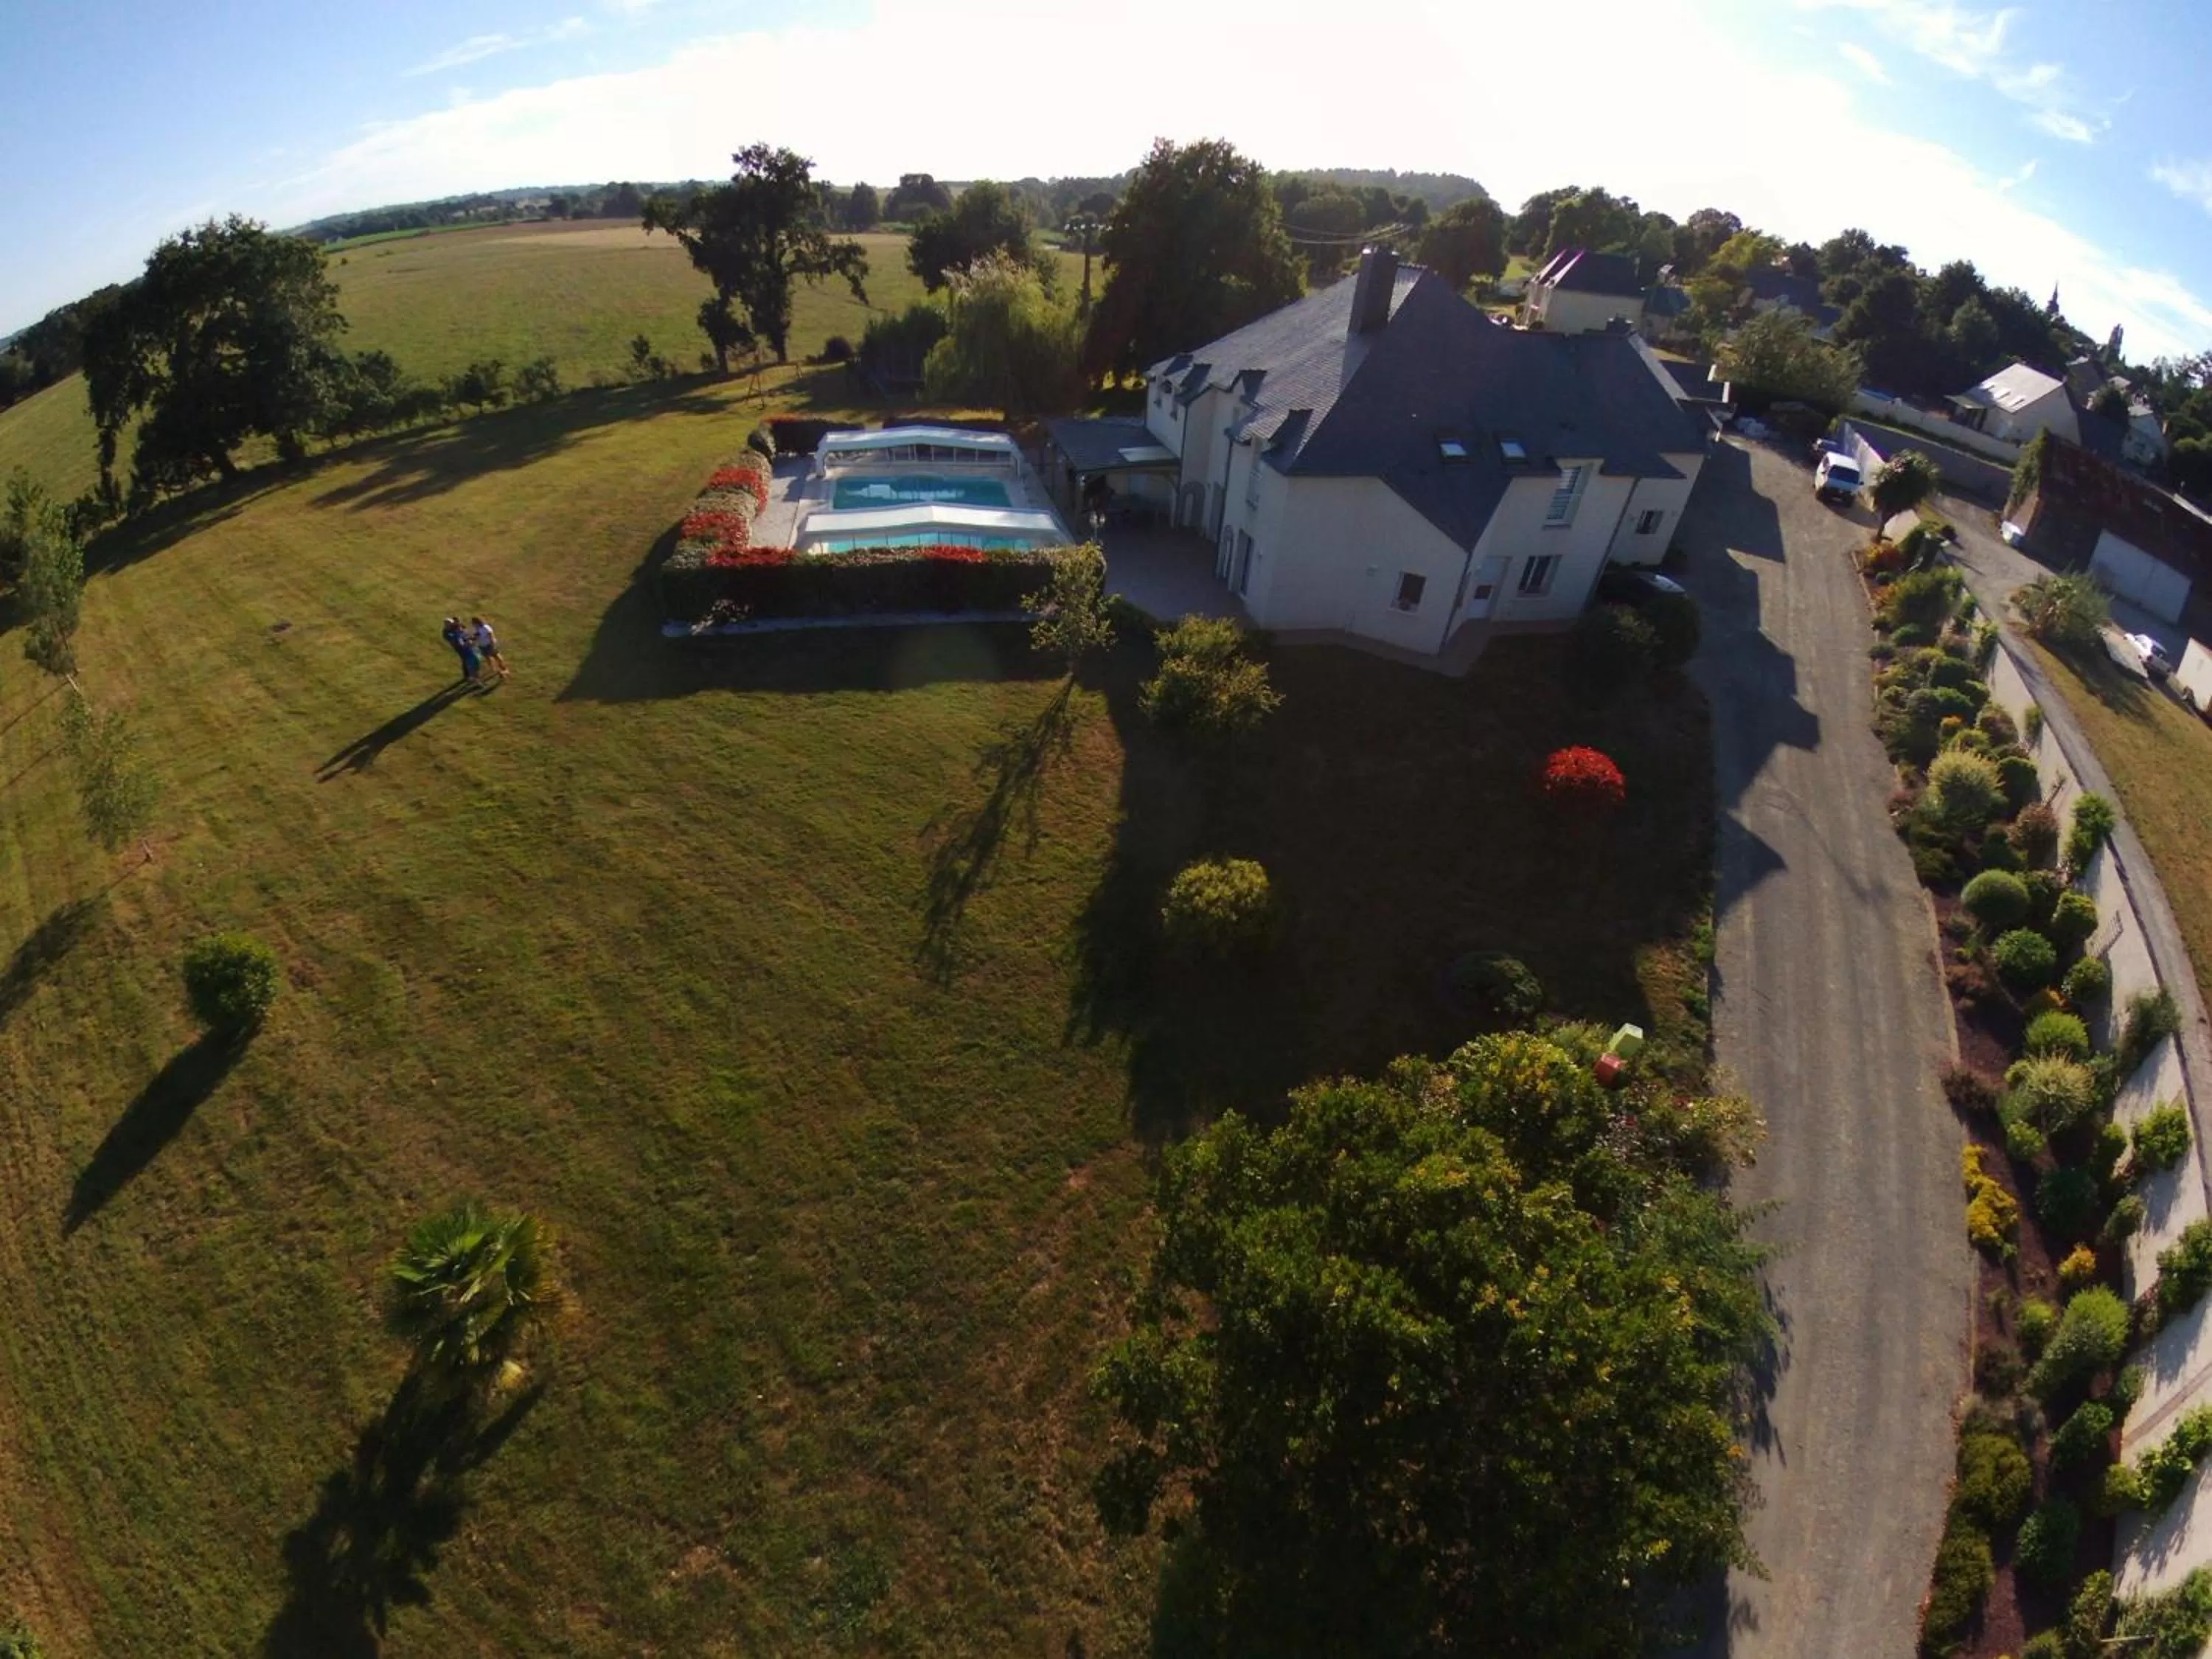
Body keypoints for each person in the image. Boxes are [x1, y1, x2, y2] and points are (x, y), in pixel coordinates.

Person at [442, 616, 480, 684]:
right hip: (459, 648)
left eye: (450, 623)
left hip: (467, 646)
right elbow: (453, 639)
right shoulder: (446, 632)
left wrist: (469, 638)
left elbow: (465, 632)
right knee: (466, 660)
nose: (450, 624)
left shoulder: (456, 627)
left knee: (472, 659)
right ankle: (469, 676)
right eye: (447, 623)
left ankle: (471, 675)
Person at [471, 616, 510, 681]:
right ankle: (493, 669)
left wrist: (493, 645)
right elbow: (477, 636)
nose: (473, 624)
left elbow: (491, 636)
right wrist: (472, 639)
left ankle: (504, 669)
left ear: (477, 622)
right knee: (488, 658)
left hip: (490, 645)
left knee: (497, 657)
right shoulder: (477, 628)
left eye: (473, 622)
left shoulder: (486, 627)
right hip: (483, 646)